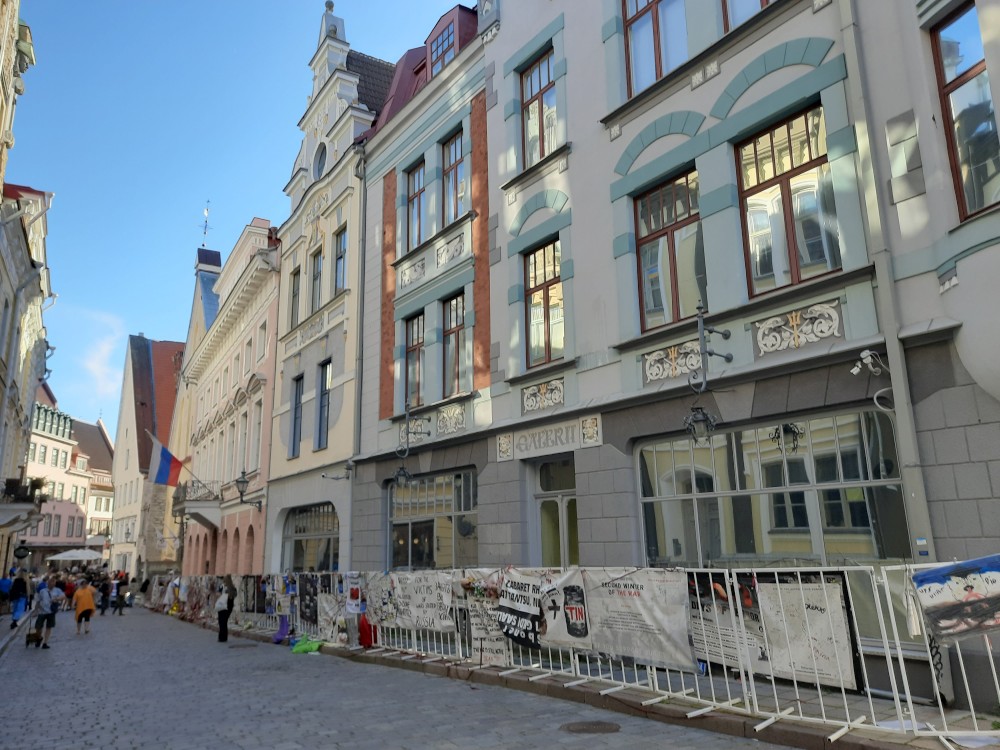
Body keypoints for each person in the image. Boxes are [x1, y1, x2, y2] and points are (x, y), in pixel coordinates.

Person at [30, 577, 56, 649]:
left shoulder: (57, 591)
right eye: (51, 583)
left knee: (49, 627)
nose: (53, 584)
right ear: (48, 583)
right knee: (38, 627)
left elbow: (62, 597)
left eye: (54, 583)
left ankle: (45, 643)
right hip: (42, 612)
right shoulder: (42, 591)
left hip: (51, 612)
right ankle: (39, 638)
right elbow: (38, 601)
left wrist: (57, 600)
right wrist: (35, 611)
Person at [216, 575, 236, 643]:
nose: (223, 581)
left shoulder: (231, 588)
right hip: (224, 605)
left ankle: (222, 637)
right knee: (222, 621)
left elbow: (233, 596)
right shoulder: (223, 586)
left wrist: (226, 594)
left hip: (226, 605)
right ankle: (222, 637)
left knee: (223, 621)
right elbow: (218, 593)